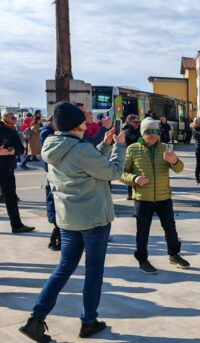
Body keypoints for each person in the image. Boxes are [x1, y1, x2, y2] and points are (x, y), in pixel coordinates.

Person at [19, 101, 126, 342]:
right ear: (77, 123)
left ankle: (35, 318)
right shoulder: (81, 149)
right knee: (93, 271)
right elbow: (111, 172)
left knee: (63, 268)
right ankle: (88, 321)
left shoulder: (52, 144)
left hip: (68, 219)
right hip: (94, 219)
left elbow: (86, 163)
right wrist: (119, 147)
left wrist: (104, 145)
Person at [120, 117, 189, 274]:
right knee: (142, 231)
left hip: (164, 197)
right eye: (149, 132)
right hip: (143, 199)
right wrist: (134, 179)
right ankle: (142, 260)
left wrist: (175, 160)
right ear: (143, 133)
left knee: (170, 228)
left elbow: (179, 169)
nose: (153, 135)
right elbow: (122, 173)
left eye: (156, 132)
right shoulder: (132, 149)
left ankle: (174, 254)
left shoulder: (165, 148)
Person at [1, 112, 34, 233]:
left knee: (10, 197)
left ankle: (16, 225)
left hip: (5, 169)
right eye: (12, 117)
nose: (14, 119)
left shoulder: (10, 131)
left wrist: (9, 151)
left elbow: (20, 149)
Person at [40, 115, 61, 251]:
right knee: (53, 201)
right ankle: (55, 238)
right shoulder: (47, 133)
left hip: (56, 171)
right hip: (53, 172)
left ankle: (56, 237)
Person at [122, 115, 141, 200]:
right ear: (129, 122)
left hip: (133, 154)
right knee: (131, 173)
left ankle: (131, 194)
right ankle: (130, 194)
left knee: (134, 173)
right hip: (129, 155)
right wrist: (141, 133)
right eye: (135, 122)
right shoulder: (128, 130)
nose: (138, 124)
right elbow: (137, 139)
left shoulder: (133, 129)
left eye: (138, 122)